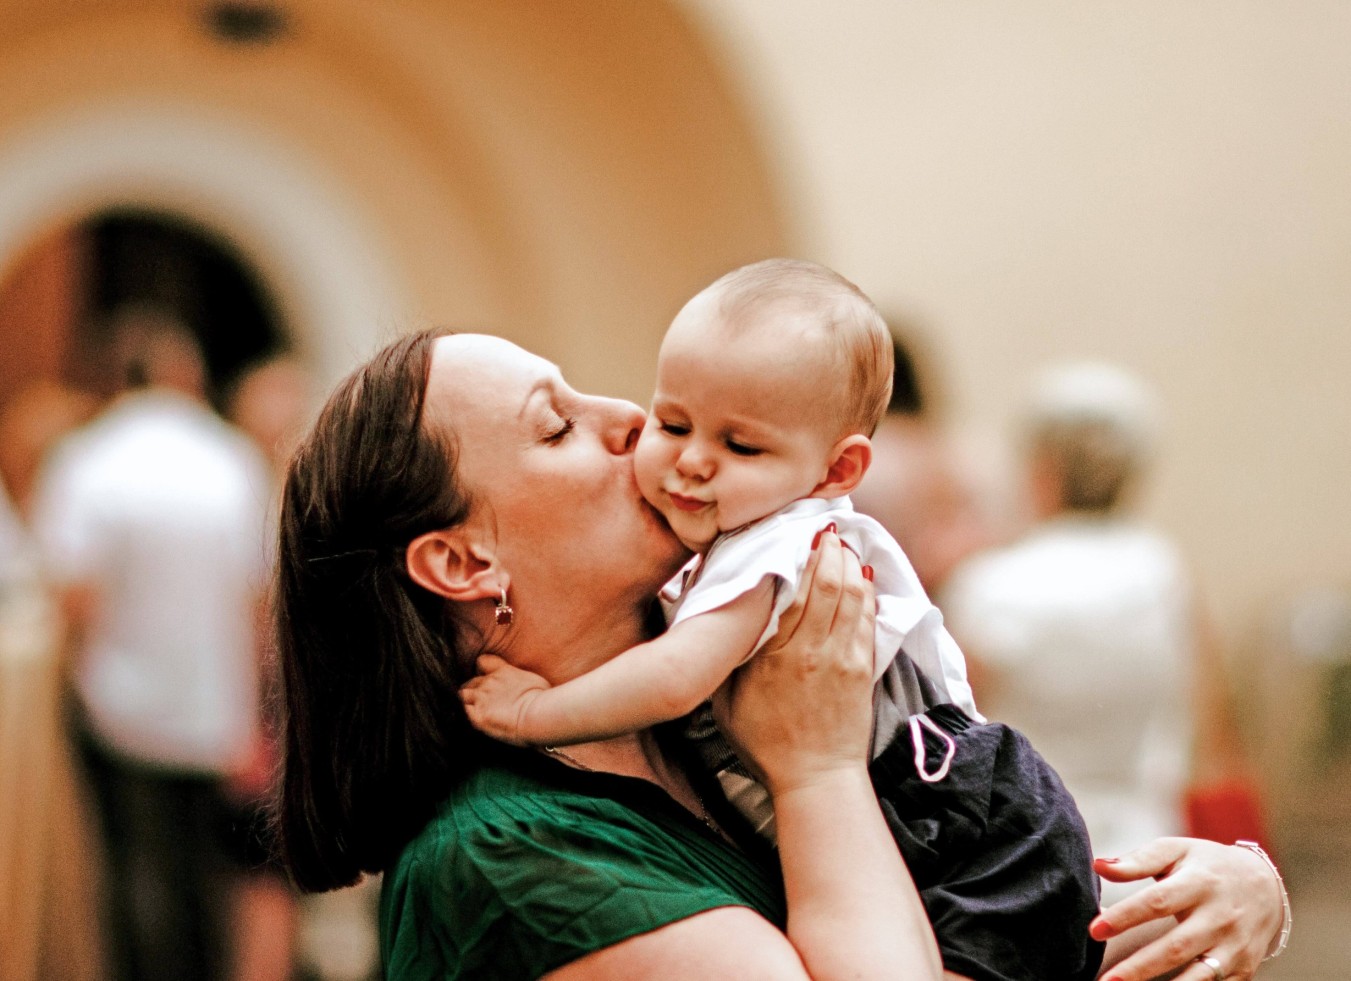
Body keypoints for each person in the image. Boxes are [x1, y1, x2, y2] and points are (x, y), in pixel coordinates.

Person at [271, 326, 1289, 981]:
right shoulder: (507, 860)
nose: (629, 418)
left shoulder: (711, 722)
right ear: (461, 561)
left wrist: (1220, 896)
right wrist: (815, 771)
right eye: (559, 427)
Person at [461, 259, 1101, 979]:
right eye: (674, 422)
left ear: (835, 472)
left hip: (958, 813)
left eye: (740, 445)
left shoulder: (775, 544)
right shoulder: (739, 534)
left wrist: (532, 713)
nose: (692, 460)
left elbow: (675, 677)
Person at [941, 362, 1251, 907]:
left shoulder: (989, 583)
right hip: (1155, 856)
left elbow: (955, 728)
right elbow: (1210, 718)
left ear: (1041, 466)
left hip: (1023, 856)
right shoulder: (1164, 568)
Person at [31, 309, 273, 981]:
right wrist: (246, 706)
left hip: (118, 706)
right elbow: (253, 596)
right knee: (203, 881)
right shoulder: (230, 458)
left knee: (133, 874)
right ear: (185, 374)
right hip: (208, 708)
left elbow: (73, 593)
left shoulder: (88, 458)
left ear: (115, 377)